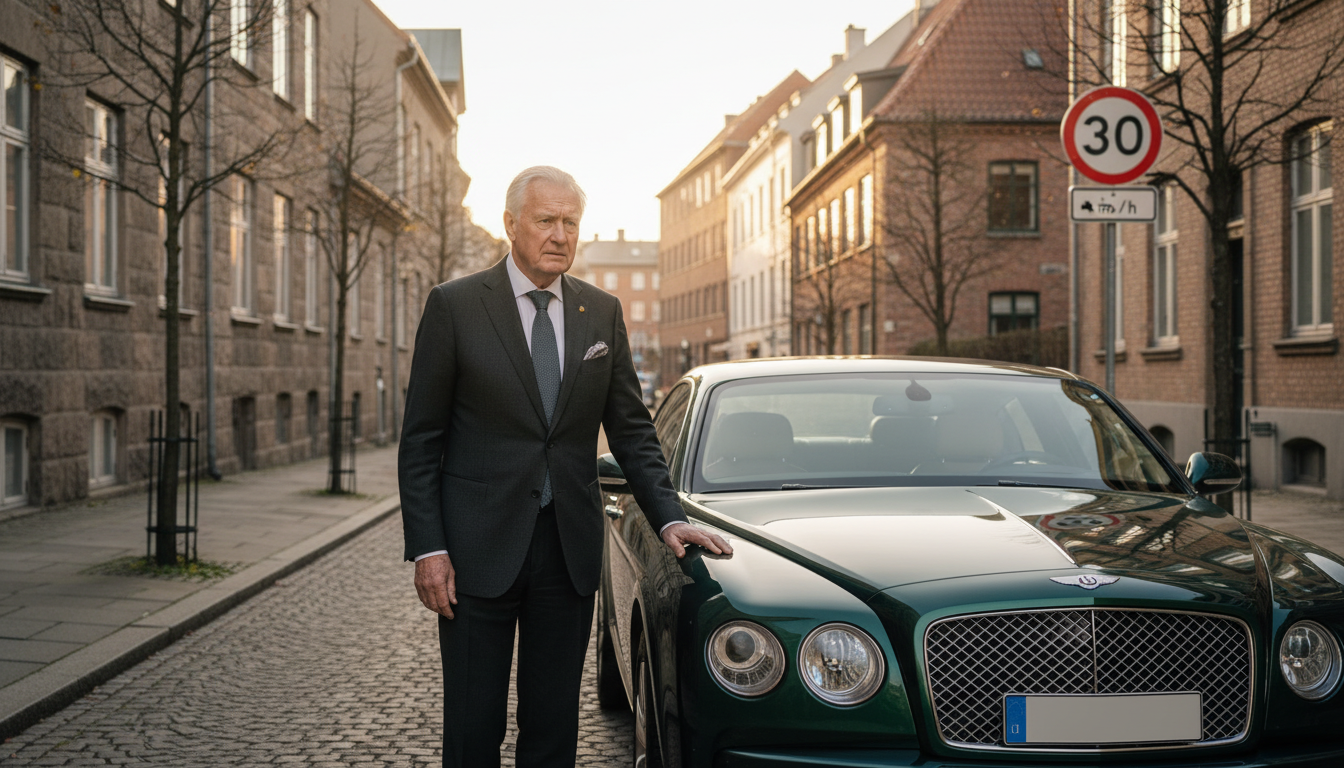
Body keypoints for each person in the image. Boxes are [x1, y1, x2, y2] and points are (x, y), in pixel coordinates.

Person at [398, 166, 731, 768]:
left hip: (568, 552)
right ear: (511, 225)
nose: (559, 234)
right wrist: (428, 548)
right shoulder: (456, 306)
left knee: (553, 730)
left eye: (570, 222)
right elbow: (422, 440)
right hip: (474, 553)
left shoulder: (599, 312)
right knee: (472, 729)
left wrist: (669, 518)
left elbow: (632, 430)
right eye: (545, 220)